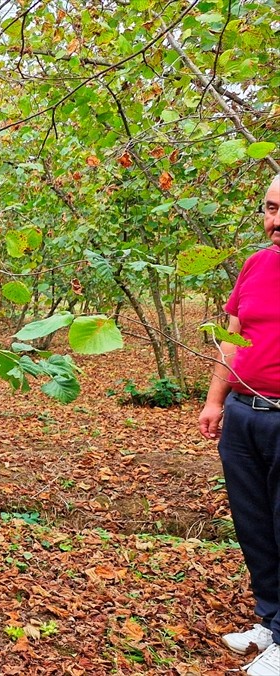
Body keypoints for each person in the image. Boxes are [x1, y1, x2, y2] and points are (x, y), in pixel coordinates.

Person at [200, 173, 280, 676]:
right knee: (255, 527)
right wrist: (215, 400)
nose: (277, 221)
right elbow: (233, 337)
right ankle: (271, 620)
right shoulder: (256, 264)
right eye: (271, 208)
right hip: (244, 415)